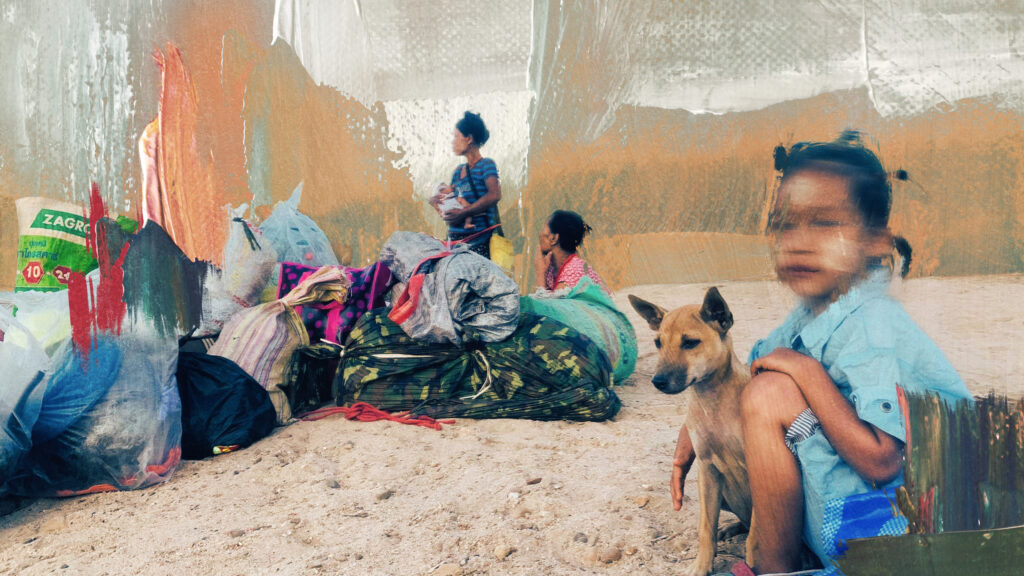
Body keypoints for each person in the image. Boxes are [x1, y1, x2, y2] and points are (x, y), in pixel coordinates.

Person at [669, 132, 971, 576]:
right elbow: (748, 367)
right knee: (763, 385)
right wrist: (691, 435)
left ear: (874, 242)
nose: (799, 241)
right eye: (785, 224)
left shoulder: (873, 325)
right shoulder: (809, 316)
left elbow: (883, 460)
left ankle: (775, 567)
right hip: (858, 507)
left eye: (825, 223)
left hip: (906, 525)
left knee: (770, 394)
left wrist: (807, 372)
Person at [429, 111, 502, 258]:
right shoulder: (457, 172)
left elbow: (495, 194)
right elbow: (453, 205)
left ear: (468, 138)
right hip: (454, 242)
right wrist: (438, 203)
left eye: (456, 136)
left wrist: (464, 213)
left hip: (479, 240)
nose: (453, 141)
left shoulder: (486, 165)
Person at [533, 210, 607, 292]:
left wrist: (540, 274)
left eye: (543, 229)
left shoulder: (575, 272)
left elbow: (545, 304)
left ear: (554, 238)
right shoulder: (552, 269)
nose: (540, 234)